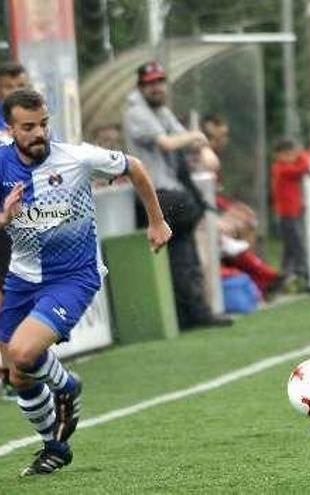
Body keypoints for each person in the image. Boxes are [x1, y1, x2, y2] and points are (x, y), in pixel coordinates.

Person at [0, 88, 171, 475]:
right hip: (22, 276)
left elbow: (135, 166)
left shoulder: (76, 158)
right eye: (28, 127)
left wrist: (157, 221)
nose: (38, 133)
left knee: (25, 355)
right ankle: (54, 447)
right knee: (16, 373)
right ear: (10, 129)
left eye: (43, 123)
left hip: (73, 277)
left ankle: (67, 386)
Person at [123, 61, 232, 329]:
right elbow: (169, 142)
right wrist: (199, 138)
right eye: (150, 83)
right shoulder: (137, 111)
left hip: (168, 194)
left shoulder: (160, 110)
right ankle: (194, 311)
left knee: (184, 252)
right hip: (155, 196)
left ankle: (191, 314)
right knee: (189, 214)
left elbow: (187, 140)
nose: (157, 87)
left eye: (160, 81)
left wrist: (202, 146)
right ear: (141, 87)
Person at [200, 114, 284, 299]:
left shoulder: (211, 157)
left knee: (247, 219)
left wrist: (232, 208)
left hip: (211, 211)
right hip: (201, 216)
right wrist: (226, 213)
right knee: (233, 227)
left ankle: (259, 279)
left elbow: (213, 194)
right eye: (220, 137)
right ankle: (263, 277)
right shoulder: (201, 158)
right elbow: (202, 195)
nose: (224, 141)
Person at [0, 61, 30, 401]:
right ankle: (11, 371)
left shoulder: (31, 123)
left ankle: (22, 366)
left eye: (20, 84)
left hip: (25, 220)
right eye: (9, 86)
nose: (15, 90)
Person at [271, 138, 310, 291]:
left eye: (292, 153)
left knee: (289, 249)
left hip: (293, 212)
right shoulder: (282, 169)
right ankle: (304, 276)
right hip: (287, 214)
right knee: (297, 246)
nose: (291, 157)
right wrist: (301, 153)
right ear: (278, 155)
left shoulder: (286, 167)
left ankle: (282, 280)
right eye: (287, 154)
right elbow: (305, 167)